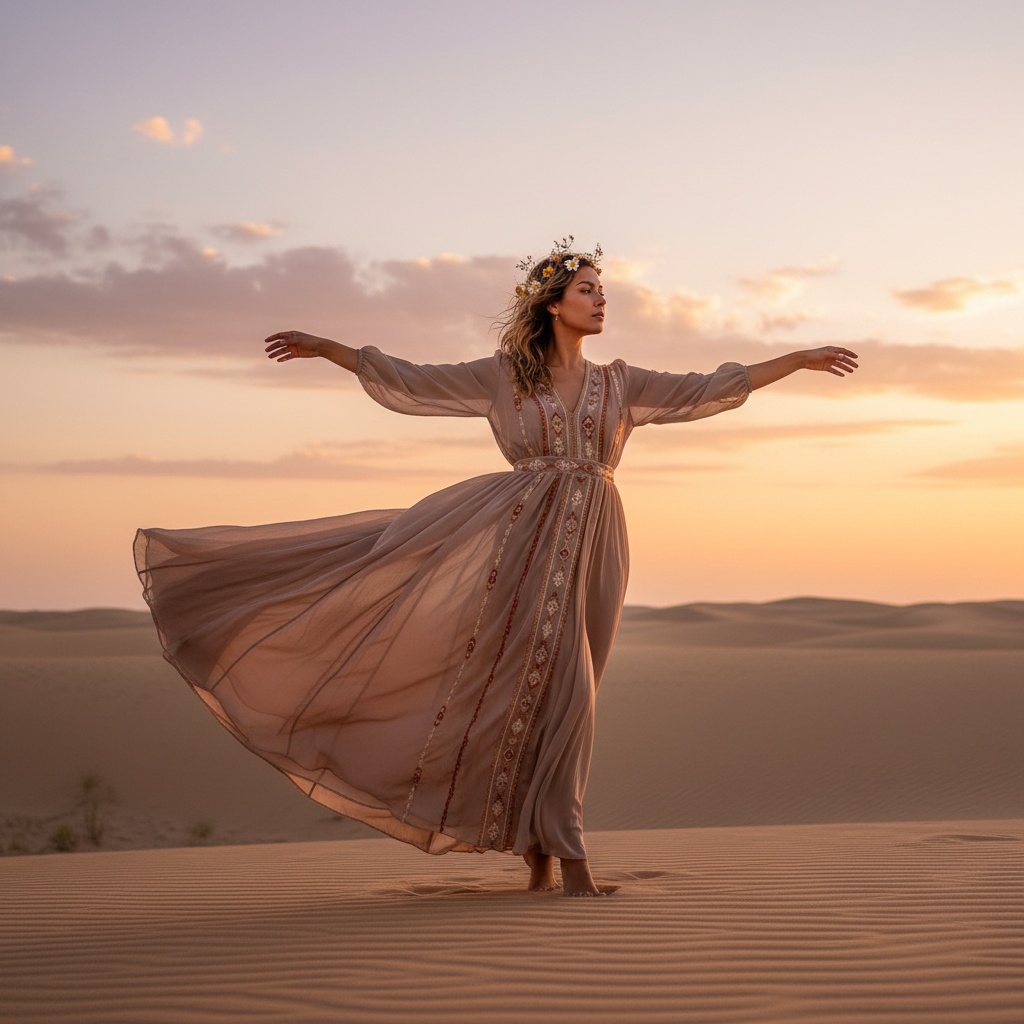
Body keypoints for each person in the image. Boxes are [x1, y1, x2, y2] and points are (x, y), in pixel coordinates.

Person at [135, 238, 858, 896]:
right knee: (555, 689)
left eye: (604, 291)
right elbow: (411, 380)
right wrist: (333, 349)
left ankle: (537, 858)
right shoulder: (500, 377)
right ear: (552, 304)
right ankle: (571, 864)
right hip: (522, 539)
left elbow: (709, 386)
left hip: (599, 539)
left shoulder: (622, 382)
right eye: (590, 290)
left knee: (567, 689)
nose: (603, 300)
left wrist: (793, 361)